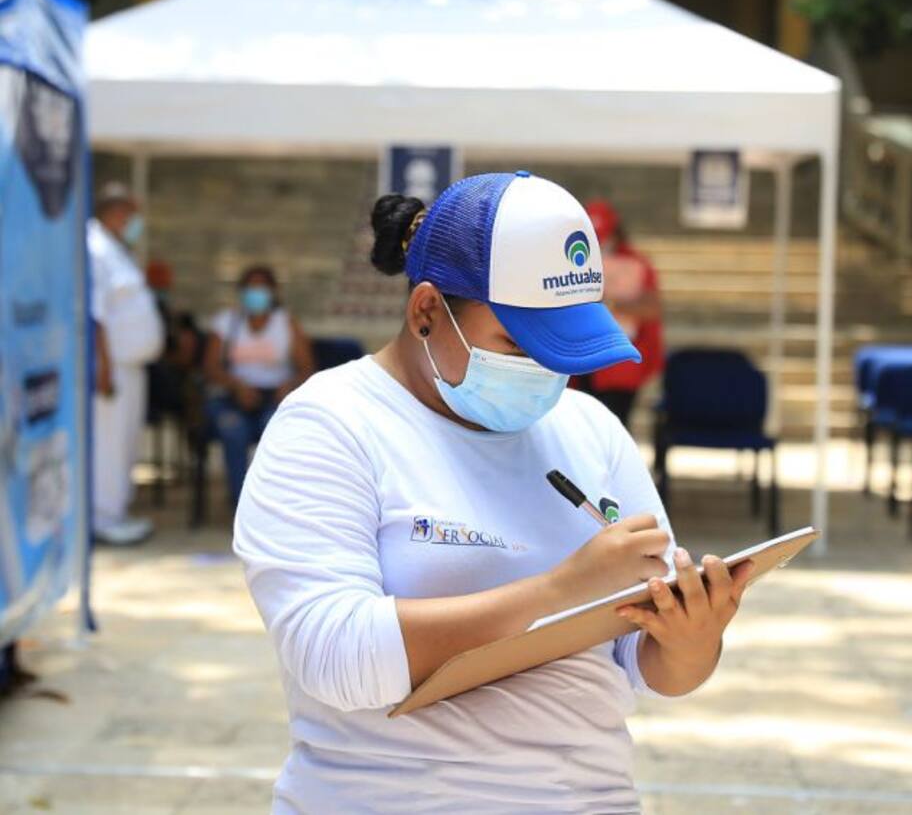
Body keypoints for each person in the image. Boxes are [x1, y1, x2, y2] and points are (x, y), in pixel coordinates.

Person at [233, 172, 757, 814]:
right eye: (517, 343)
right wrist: (561, 590)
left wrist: (692, 636)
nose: (545, 371)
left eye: (562, 348)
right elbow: (334, 657)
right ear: (426, 311)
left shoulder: (589, 428)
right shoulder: (331, 423)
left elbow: (647, 667)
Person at [88, 182, 164, 545]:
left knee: (124, 442)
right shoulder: (94, 248)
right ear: (117, 212)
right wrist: (101, 366)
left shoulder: (114, 248)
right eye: (132, 213)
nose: (136, 221)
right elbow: (95, 315)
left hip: (128, 366)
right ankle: (104, 517)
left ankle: (114, 510)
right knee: (109, 443)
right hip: (111, 367)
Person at [203, 266, 314, 508]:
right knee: (234, 431)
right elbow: (210, 368)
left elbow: (306, 368)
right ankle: (240, 504)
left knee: (275, 430)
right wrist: (235, 386)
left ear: (273, 291)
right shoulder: (226, 322)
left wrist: (288, 385)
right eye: (250, 287)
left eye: (262, 287)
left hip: (274, 398)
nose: (256, 293)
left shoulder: (286, 323)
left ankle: (272, 504)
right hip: (232, 398)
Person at [573, 198, 664, 426]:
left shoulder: (636, 264)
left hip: (618, 365)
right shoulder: (573, 259)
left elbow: (652, 308)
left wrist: (609, 303)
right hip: (579, 358)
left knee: (614, 427)